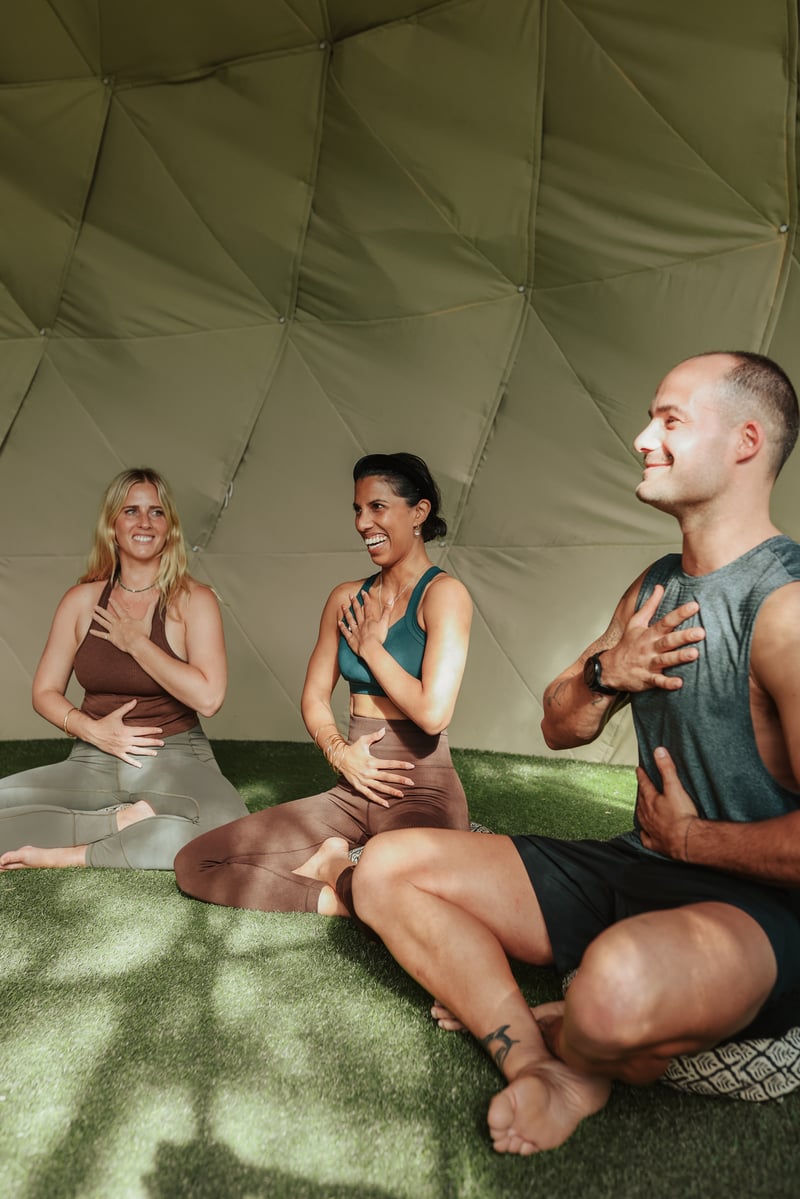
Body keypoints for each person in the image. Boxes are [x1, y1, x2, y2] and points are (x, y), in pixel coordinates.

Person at [345, 351, 800, 1154]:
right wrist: (605, 670)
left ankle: (586, 1036)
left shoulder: (787, 608)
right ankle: (536, 1058)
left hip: (758, 911)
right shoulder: (656, 583)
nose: (641, 439)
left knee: (612, 986)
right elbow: (560, 724)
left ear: (745, 441)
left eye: (669, 421)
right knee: (385, 868)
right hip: (636, 865)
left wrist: (692, 841)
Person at [174, 452, 473, 916]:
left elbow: (434, 713)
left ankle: (338, 867)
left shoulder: (445, 595)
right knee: (196, 862)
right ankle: (341, 894)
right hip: (350, 791)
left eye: (377, 507)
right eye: (357, 509)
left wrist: (373, 648)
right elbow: (314, 696)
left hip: (420, 793)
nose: (362, 522)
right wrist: (339, 752)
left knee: (421, 901)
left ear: (419, 512)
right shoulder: (345, 597)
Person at [0, 467, 247, 870]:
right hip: (91, 760)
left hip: (174, 758)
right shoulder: (81, 601)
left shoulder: (193, 600)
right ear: (113, 526)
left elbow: (209, 698)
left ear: (170, 528)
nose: (145, 522)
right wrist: (92, 730)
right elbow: (44, 692)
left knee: (230, 832)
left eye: (157, 512)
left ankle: (76, 854)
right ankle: (119, 822)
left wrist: (136, 643)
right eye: (131, 511)